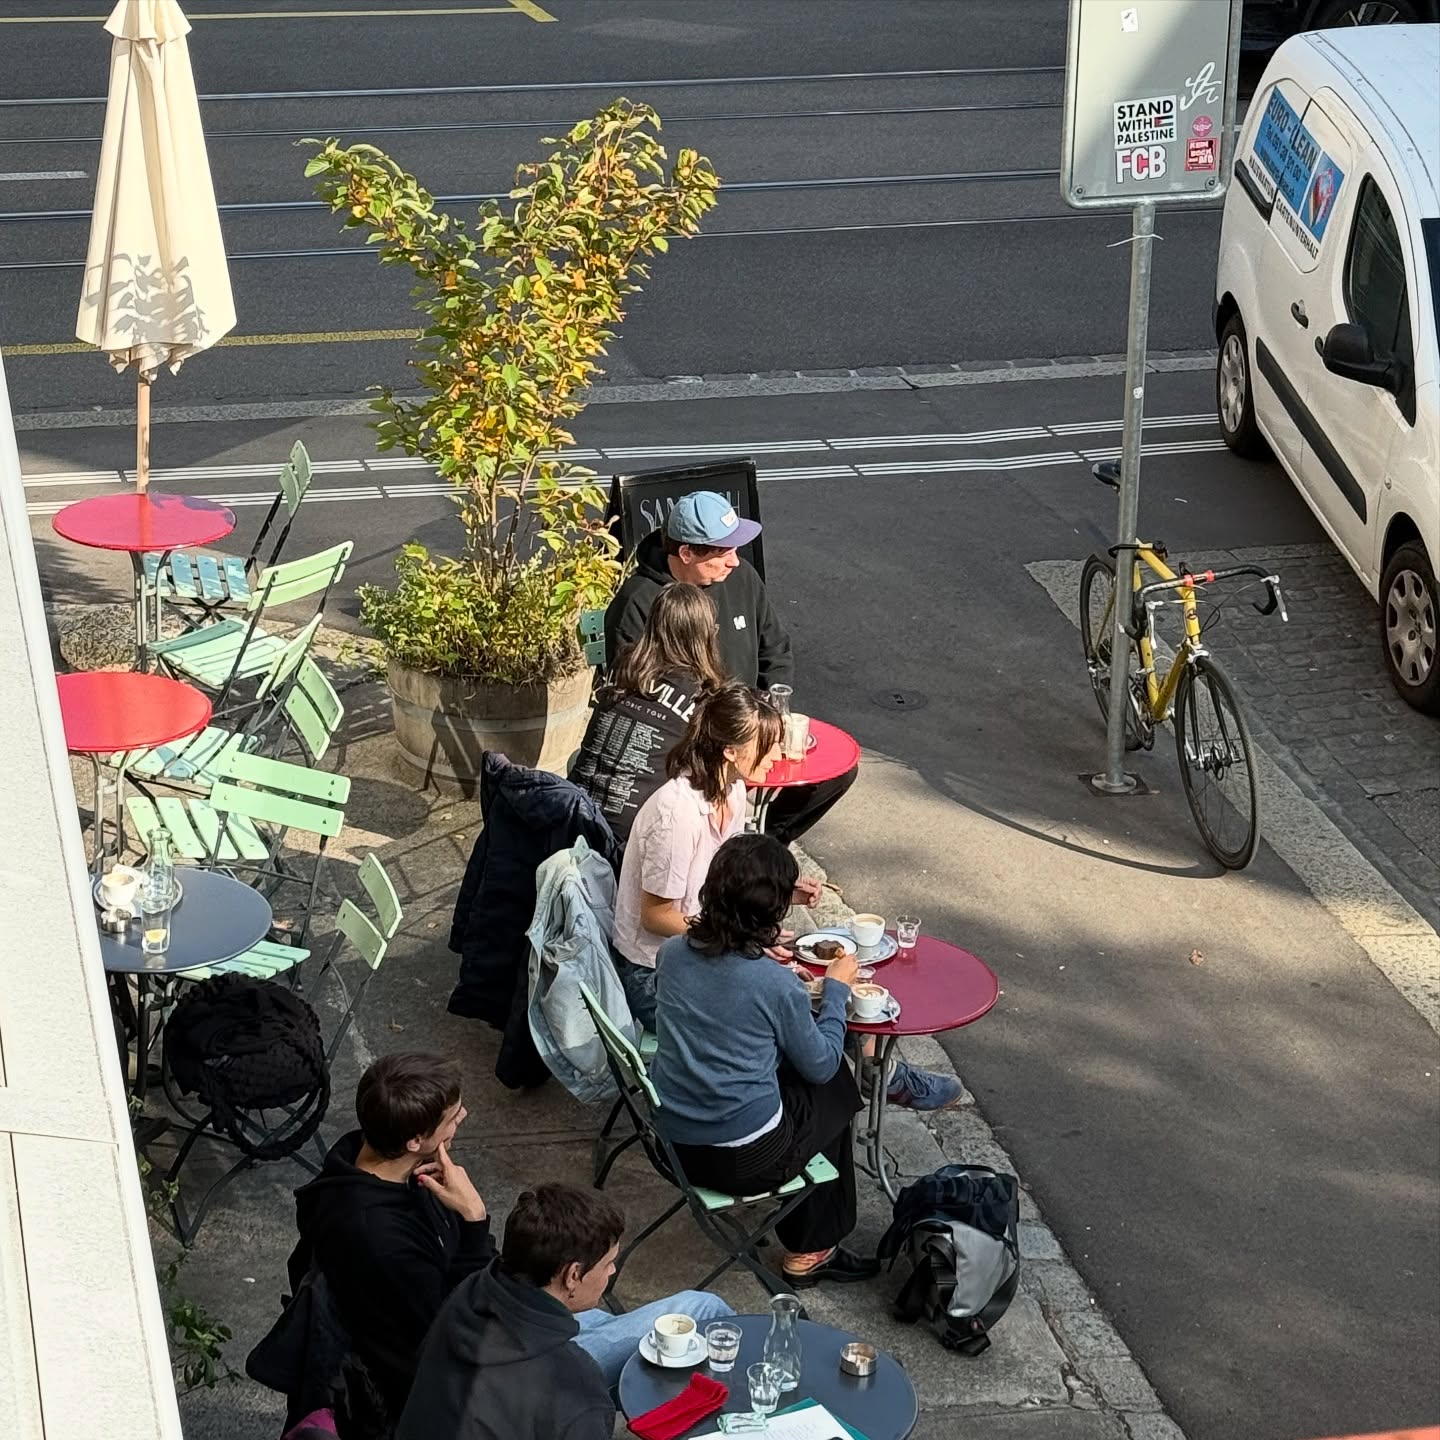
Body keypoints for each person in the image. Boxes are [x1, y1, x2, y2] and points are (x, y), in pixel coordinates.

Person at [650, 832, 880, 1288]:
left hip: (673, 1144)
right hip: (743, 1161)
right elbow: (820, 1064)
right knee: (835, 1086)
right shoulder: (774, 986)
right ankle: (812, 1247)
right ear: (772, 912)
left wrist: (759, 955)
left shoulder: (672, 954)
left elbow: (725, 997)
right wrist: (836, 991)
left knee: (802, 1072)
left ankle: (810, 1230)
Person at [603, 490, 855, 845]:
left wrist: (771, 714)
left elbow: (776, 649)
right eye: (724, 552)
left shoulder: (742, 578)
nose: (735, 562)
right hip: (689, 743)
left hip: (749, 723)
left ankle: (759, 844)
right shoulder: (639, 601)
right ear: (687, 553)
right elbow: (638, 693)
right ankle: (742, 851)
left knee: (835, 774)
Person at [397, 1184, 733, 1439]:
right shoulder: (576, 1387)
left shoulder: (471, 1291)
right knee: (706, 1307)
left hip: (476, 1392)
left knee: (612, 1320)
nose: (613, 1272)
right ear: (573, 1274)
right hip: (532, 1380)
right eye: (608, 1263)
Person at [285, 1052, 496, 1431]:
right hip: (420, 1394)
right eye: (452, 1117)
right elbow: (460, 1324)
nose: (462, 1118)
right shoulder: (380, 1238)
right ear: (414, 1140)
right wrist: (474, 1220)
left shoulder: (355, 1158)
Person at [610, 683, 818, 1030]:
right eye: (767, 746)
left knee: (801, 990)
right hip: (652, 972)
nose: (776, 757)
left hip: (701, 950)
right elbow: (656, 917)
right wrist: (737, 939)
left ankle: (882, 1075)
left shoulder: (733, 791)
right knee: (773, 1015)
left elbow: (728, 882)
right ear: (730, 751)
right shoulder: (676, 816)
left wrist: (780, 892)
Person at [569, 581, 726, 845]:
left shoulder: (624, 669)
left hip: (572, 811)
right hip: (628, 838)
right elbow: (709, 778)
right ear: (705, 637)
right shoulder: (702, 697)